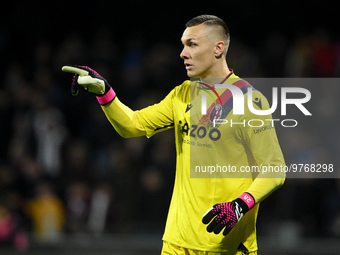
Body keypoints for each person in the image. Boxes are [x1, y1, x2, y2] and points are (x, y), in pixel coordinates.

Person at [63, 14, 285, 255]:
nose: (183, 53)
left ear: (218, 48)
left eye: (192, 44)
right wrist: (105, 93)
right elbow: (132, 125)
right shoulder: (182, 94)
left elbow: (275, 169)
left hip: (225, 244)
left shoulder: (250, 100)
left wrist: (240, 205)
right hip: (176, 243)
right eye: (183, 45)